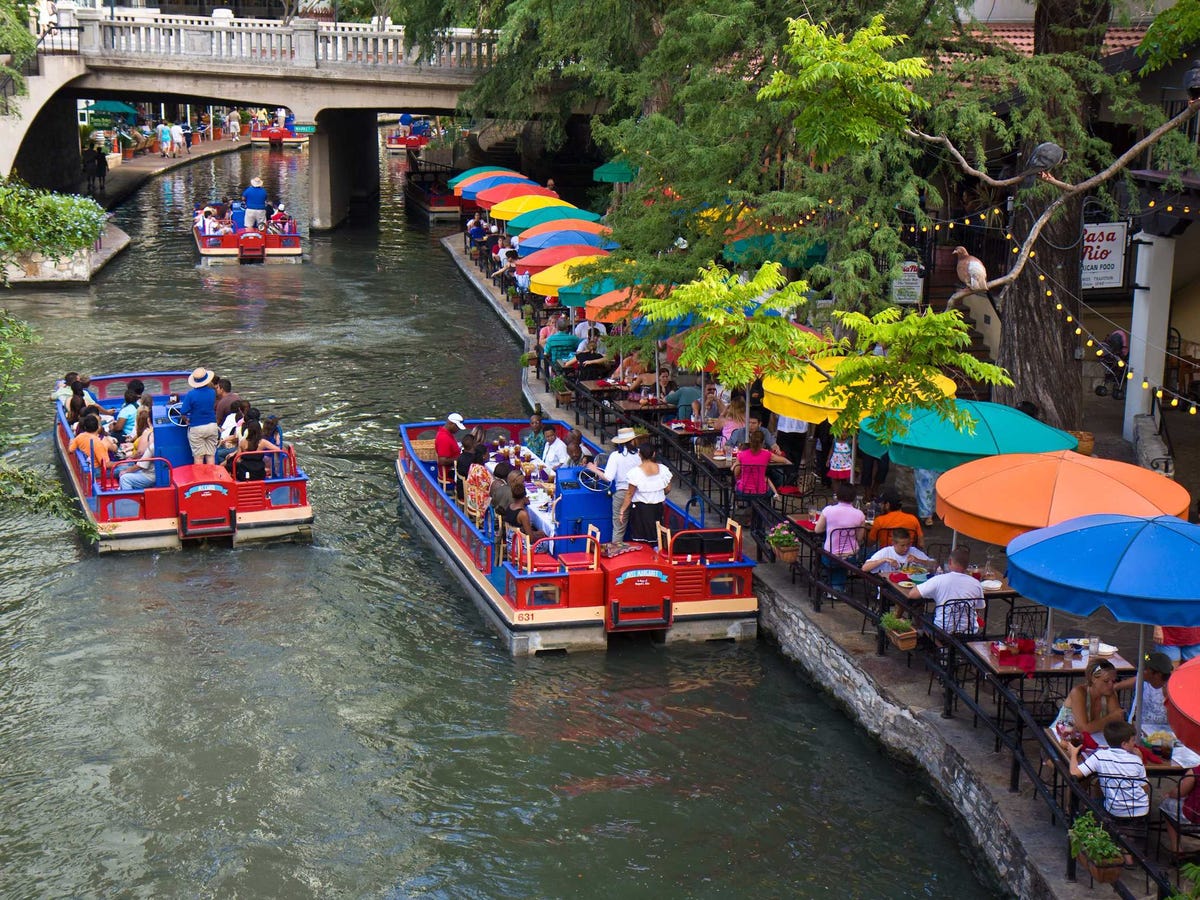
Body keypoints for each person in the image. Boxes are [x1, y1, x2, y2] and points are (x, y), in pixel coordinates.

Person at [1066, 720, 1149, 845]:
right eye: (1133, 741)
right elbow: (1145, 788)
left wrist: (1073, 754)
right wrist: (1140, 759)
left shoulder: (1100, 756)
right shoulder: (1137, 760)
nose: (1135, 744)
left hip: (1115, 810)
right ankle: (1126, 843)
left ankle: (1104, 838)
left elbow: (1074, 773)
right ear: (1125, 744)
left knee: (1087, 806)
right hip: (1141, 811)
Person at [904, 547, 984, 633]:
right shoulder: (976, 583)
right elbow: (979, 607)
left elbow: (912, 594)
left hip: (943, 630)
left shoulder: (939, 579)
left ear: (950, 562)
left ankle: (923, 639)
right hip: (969, 630)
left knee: (924, 617)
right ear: (967, 565)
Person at [585, 427, 641, 543]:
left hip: (622, 494)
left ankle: (617, 555)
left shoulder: (616, 456)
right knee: (639, 529)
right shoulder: (640, 454)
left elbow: (608, 477)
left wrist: (594, 469)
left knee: (618, 529)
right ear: (633, 441)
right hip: (639, 494)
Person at [814, 482, 866, 589]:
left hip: (831, 556)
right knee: (842, 560)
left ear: (837, 495)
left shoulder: (828, 510)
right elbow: (860, 538)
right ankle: (837, 585)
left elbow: (817, 530)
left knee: (824, 544)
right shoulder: (860, 514)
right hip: (851, 557)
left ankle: (835, 587)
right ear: (853, 497)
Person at [622, 444, 672, 543]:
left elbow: (629, 494)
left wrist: (622, 510)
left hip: (640, 509)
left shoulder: (635, 472)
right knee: (657, 537)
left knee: (640, 539)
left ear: (639, 455)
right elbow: (668, 489)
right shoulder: (663, 469)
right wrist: (657, 493)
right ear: (654, 454)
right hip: (657, 508)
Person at [1118, 651, 1173, 728]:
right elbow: (1136, 680)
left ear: (1157, 675)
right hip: (1139, 729)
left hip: (1162, 734)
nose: (1140, 671)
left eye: (1145, 669)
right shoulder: (1144, 678)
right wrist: (1115, 687)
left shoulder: (1171, 690)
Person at [179, 367, 220, 465]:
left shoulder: (191, 394)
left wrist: (186, 420)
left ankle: (200, 479)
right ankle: (211, 478)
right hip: (212, 425)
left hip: (197, 427)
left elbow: (183, 411)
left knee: (199, 457)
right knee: (210, 455)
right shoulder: (212, 392)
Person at [862, 528, 934, 576]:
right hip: (890, 588)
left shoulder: (913, 550)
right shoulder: (886, 552)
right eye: (902, 545)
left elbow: (935, 565)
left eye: (908, 544)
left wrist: (918, 560)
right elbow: (864, 568)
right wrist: (883, 560)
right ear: (893, 543)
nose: (906, 548)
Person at [118, 409, 157, 490]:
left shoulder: (150, 437)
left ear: (149, 420)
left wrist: (126, 470)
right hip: (151, 471)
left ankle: (129, 502)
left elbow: (141, 464)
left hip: (151, 474)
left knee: (124, 478)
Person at [435, 413, 465, 481]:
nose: (458, 430)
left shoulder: (447, 434)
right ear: (451, 424)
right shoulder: (444, 438)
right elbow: (442, 461)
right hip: (449, 472)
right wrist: (460, 458)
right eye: (457, 427)